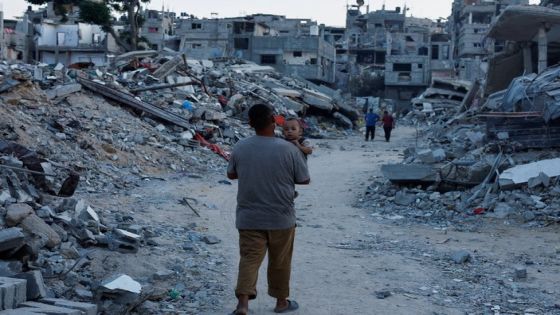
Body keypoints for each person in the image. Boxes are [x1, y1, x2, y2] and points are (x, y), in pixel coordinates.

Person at [227, 104, 311, 315]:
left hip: (249, 217)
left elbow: (231, 174)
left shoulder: (240, 146)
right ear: (274, 122)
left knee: (249, 259)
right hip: (281, 217)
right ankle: (281, 302)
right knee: (280, 261)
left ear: (250, 124)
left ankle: (243, 304)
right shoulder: (290, 149)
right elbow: (304, 179)